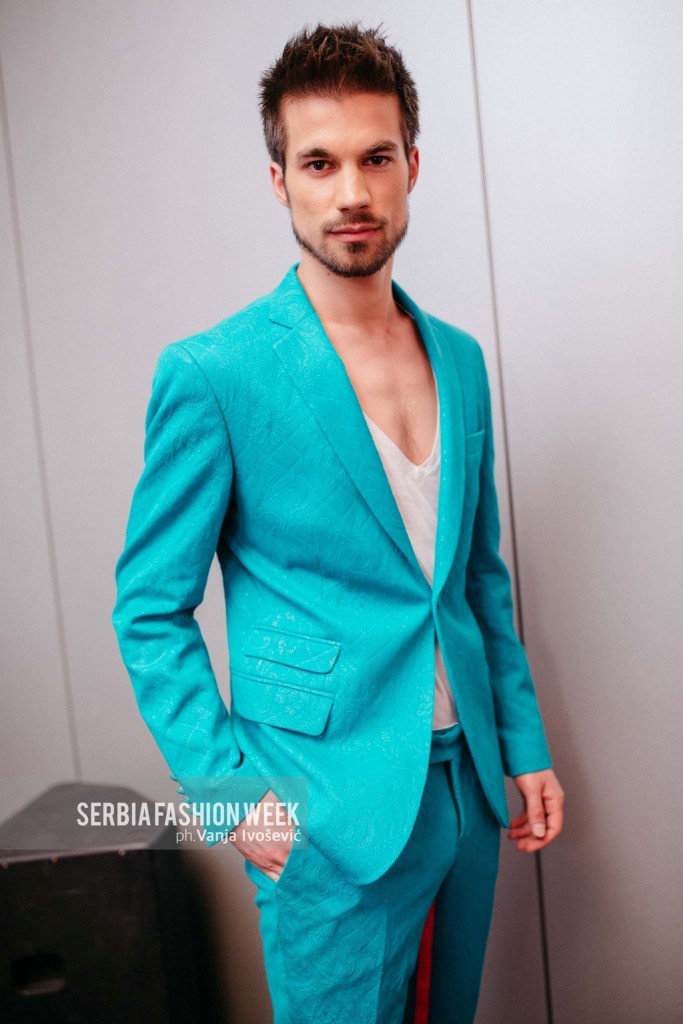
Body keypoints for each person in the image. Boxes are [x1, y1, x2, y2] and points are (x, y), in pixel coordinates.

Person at [112, 22, 564, 1024]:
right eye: (319, 163)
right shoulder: (215, 374)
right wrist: (230, 794)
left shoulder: (458, 360)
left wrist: (522, 743)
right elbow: (147, 608)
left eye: (375, 158)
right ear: (279, 180)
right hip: (323, 806)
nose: (351, 192)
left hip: (467, 789)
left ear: (412, 166)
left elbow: (473, 579)